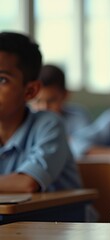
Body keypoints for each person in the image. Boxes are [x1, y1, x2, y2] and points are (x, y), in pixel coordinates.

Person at [0, 32, 81, 192]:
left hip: (59, 216)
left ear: (30, 91)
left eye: (2, 80)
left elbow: (27, 183)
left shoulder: (50, 124)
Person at [30, 64, 91, 137]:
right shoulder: (24, 121)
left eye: (51, 100)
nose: (44, 107)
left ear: (65, 95)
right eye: (38, 101)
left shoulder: (78, 118)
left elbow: (84, 144)